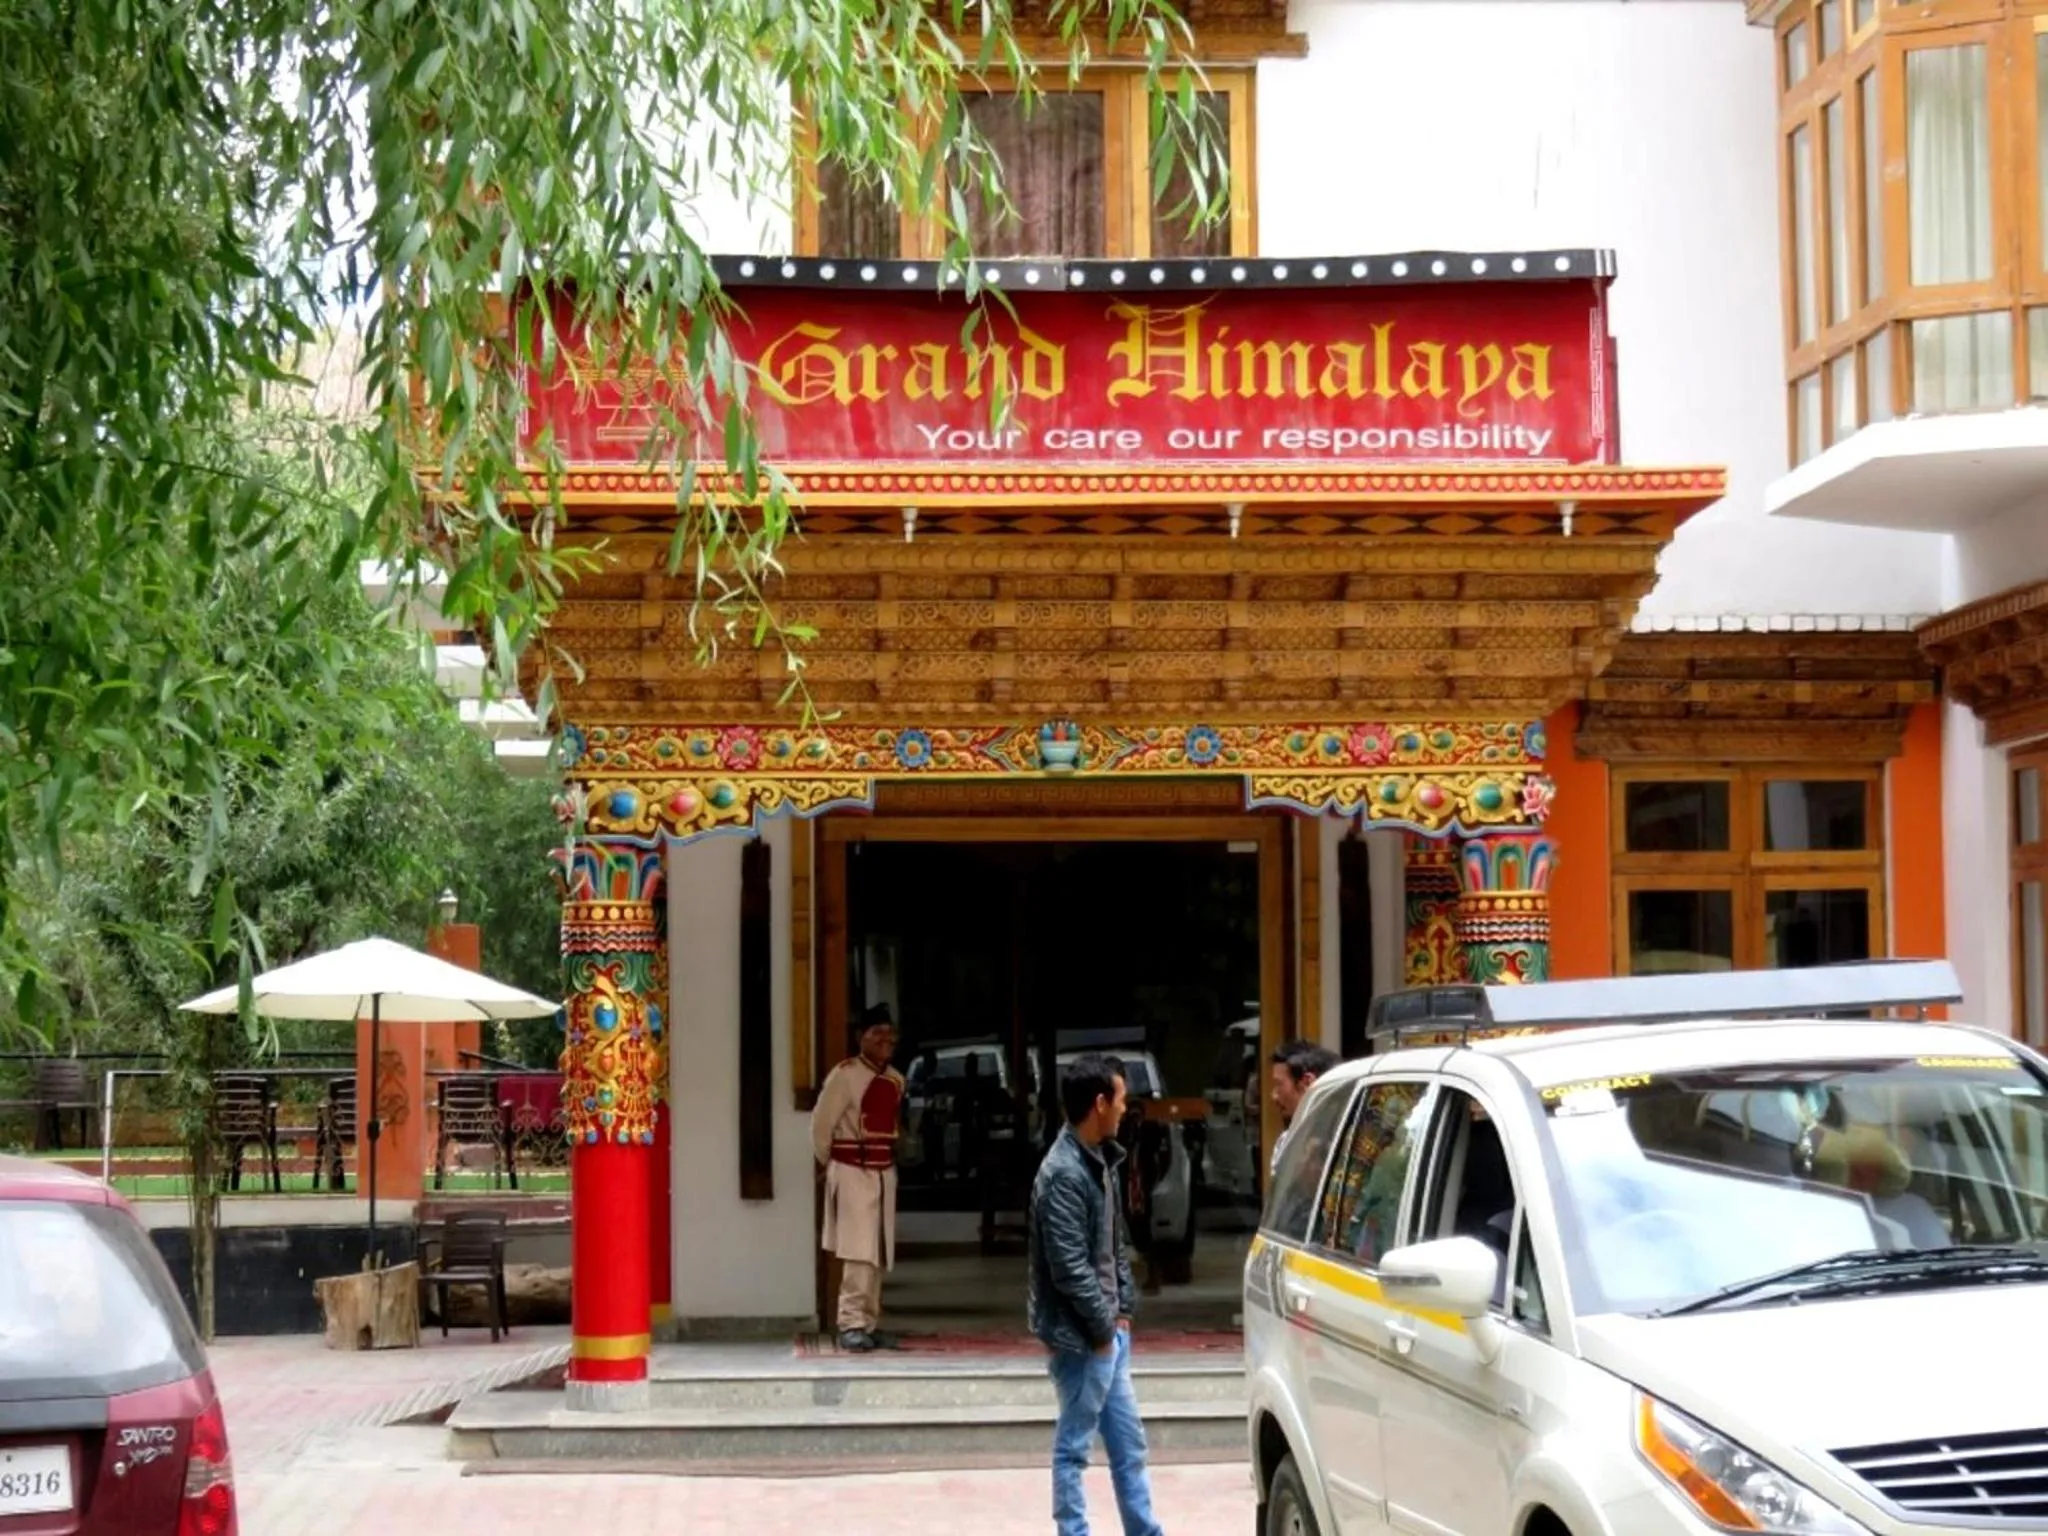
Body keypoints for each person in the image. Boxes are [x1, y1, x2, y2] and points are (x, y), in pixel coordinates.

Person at [1027, 1053, 1163, 1536]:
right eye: (1122, 1099)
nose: (1127, 1109)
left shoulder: (1099, 1159)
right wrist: (1105, 1329)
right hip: (1083, 1338)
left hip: (1108, 1332)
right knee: (1073, 1450)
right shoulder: (1064, 1172)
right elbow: (1069, 1268)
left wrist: (1123, 1309)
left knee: (1129, 1448)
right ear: (1100, 1102)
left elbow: (1112, 1247)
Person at [812, 1005, 906, 1352]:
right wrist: (836, 1164)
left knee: (878, 1251)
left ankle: (869, 1321)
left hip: (882, 1172)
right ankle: (850, 1323)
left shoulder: (896, 1079)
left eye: (888, 1032)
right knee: (857, 1251)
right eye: (875, 1032)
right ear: (860, 1037)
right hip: (853, 1169)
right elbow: (821, 1128)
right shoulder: (844, 1076)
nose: (884, 1038)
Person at [1270, 1040, 1340, 1174]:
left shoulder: (1349, 1137)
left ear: (1307, 1083)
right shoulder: (1285, 1144)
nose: (1274, 1096)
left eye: (1279, 1085)